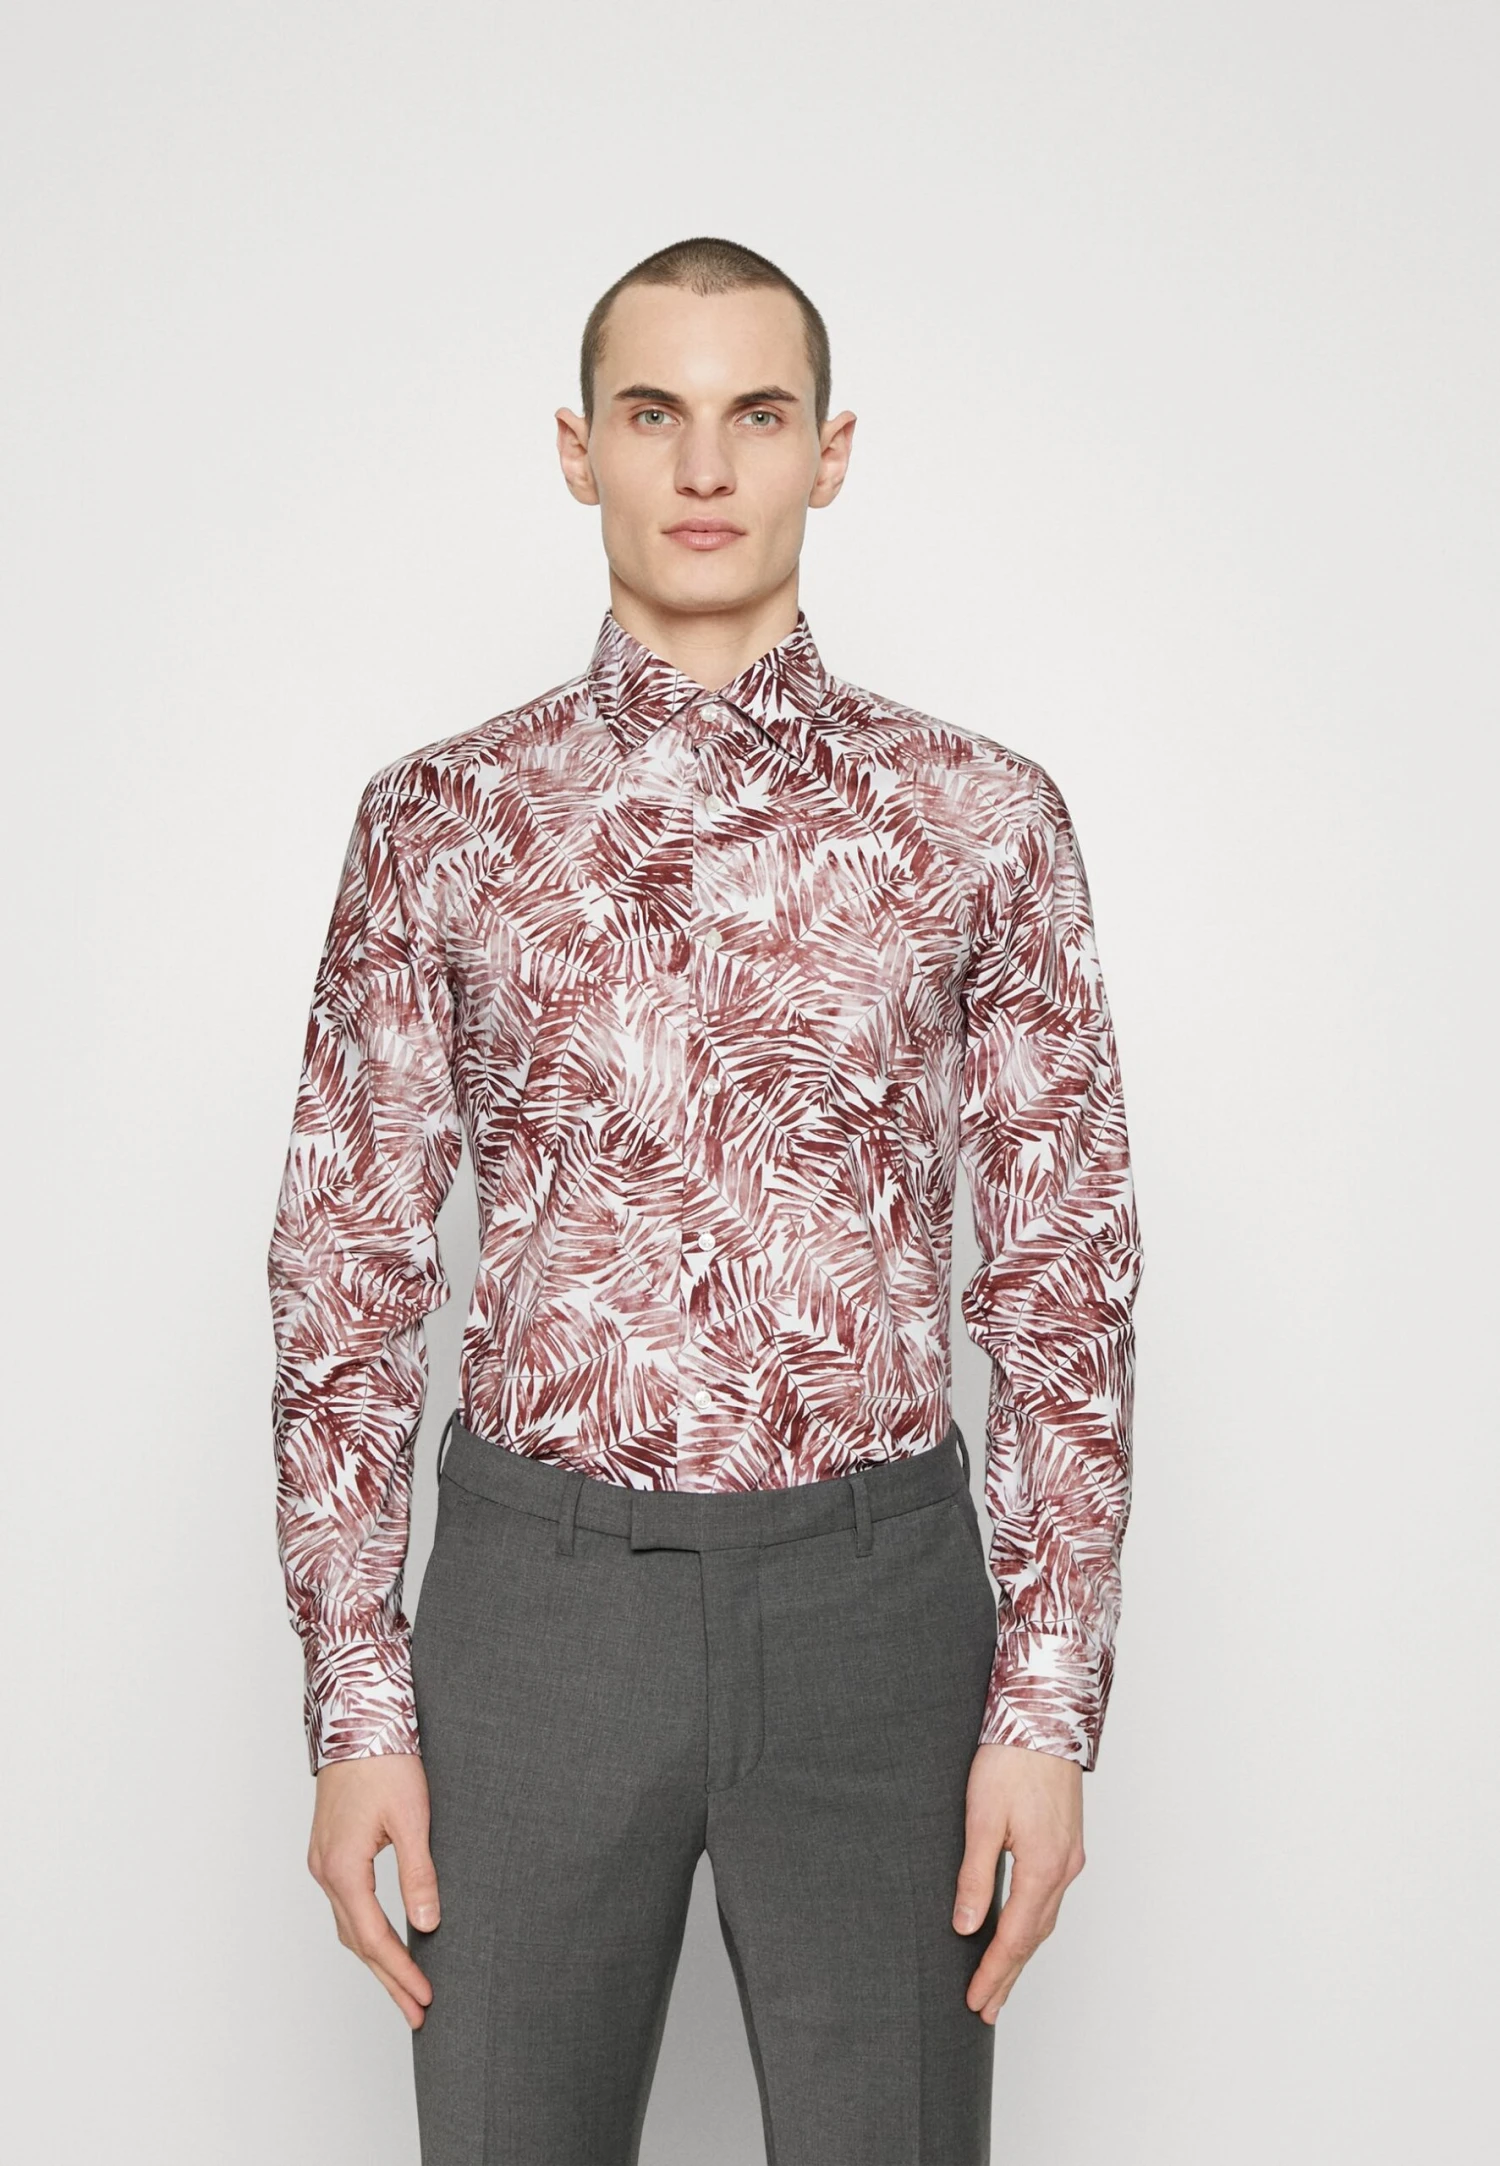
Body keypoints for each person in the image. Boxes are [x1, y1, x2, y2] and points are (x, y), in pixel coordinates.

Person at [266, 234, 1144, 2166]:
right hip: (537, 1612)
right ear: (577, 447)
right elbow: (346, 1274)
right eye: (655, 412)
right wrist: (357, 1706)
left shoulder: (981, 819)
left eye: (756, 413)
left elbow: (1063, 1280)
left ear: (832, 450)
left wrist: (1045, 1703)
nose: (704, 466)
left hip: (878, 1611)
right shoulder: (441, 822)